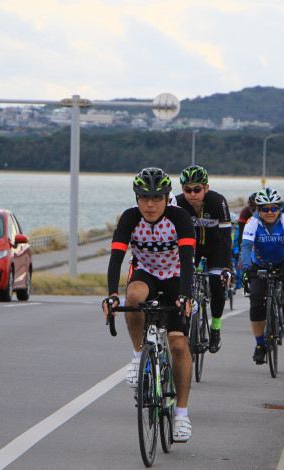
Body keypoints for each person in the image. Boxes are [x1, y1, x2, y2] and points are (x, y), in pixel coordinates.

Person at [102, 167, 196, 442]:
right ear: (136, 198)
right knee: (132, 297)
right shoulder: (130, 218)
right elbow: (116, 258)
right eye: (144, 198)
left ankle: (181, 415)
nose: (150, 204)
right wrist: (111, 294)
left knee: (178, 344)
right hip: (146, 273)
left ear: (167, 198)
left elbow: (188, 259)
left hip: (176, 276)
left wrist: (185, 296)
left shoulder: (179, 218)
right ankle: (137, 356)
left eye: (156, 197)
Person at [176, 165, 233, 353]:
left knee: (217, 285)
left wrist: (227, 266)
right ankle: (185, 322)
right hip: (192, 248)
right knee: (183, 282)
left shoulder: (218, 202)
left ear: (206, 189)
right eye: (188, 190)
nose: (192, 194)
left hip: (215, 246)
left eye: (197, 189)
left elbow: (226, 237)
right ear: (182, 189)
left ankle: (215, 328)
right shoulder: (177, 204)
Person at [239, 187, 284, 365]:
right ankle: (260, 344)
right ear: (258, 210)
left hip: (282, 260)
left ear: (280, 208)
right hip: (260, 263)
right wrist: (246, 269)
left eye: (274, 208)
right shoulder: (252, 222)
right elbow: (246, 245)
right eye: (265, 209)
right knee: (256, 301)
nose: (270, 212)